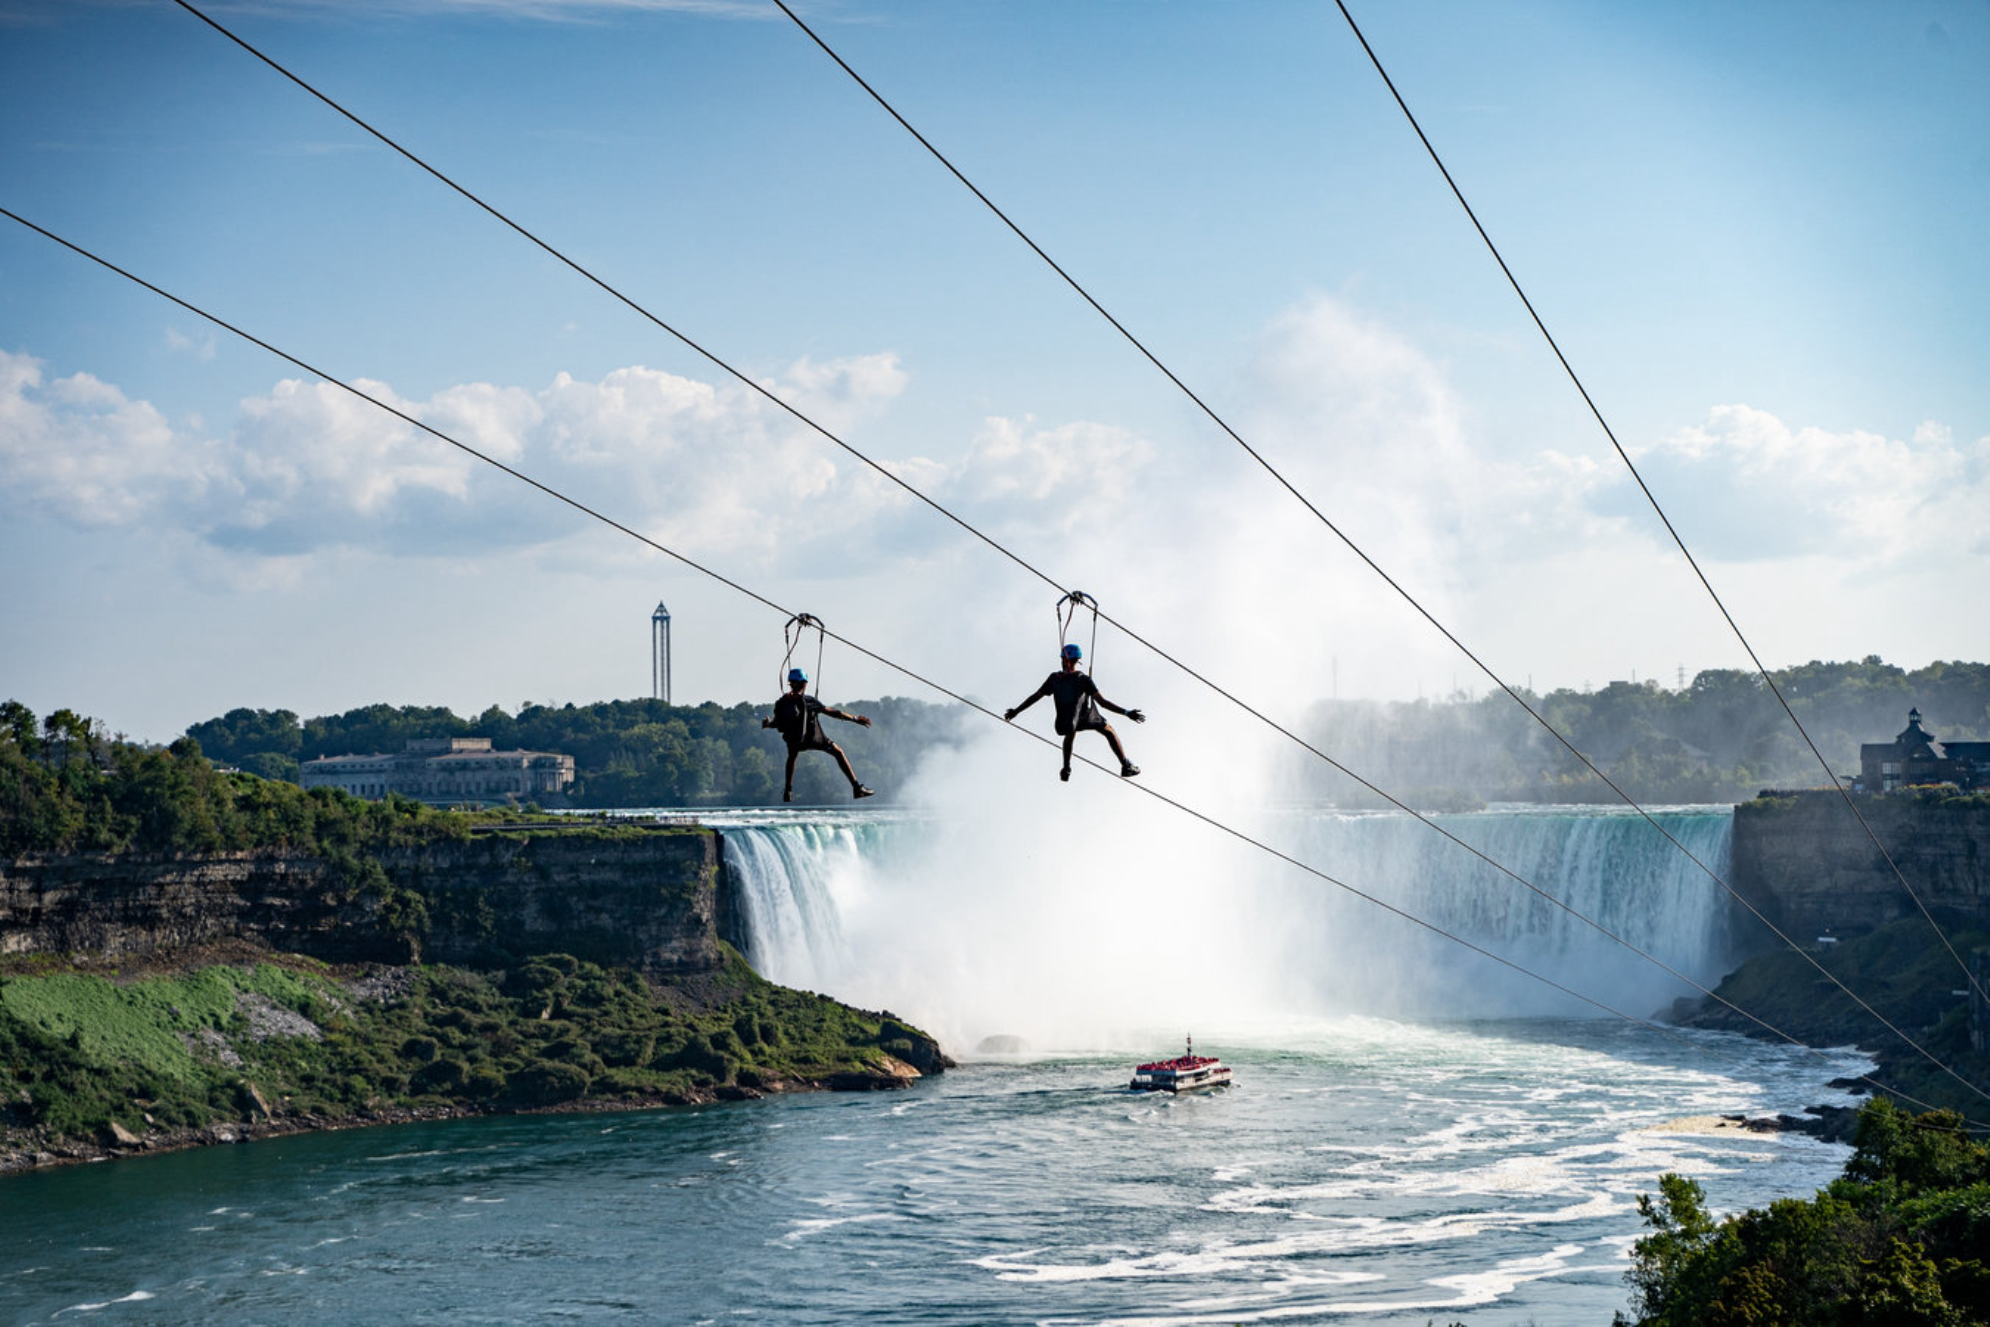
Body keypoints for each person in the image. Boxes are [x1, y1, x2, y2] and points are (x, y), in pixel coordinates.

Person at [1004, 643, 1144, 782]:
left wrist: (1016, 711)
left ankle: (1066, 767)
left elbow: (1035, 697)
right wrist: (1127, 713)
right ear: (1077, 661)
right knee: (1108, 730)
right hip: (1086, 717)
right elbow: (1103, 702)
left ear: (1063, 660)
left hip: (1068, 721)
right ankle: (1125, 765)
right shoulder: (1083, 679)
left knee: (1070, 731)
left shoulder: (1054, 679)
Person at [764, 668, 875, 802]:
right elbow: (834, 713)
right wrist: (855, 718)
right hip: (815, 739)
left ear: (790, 683)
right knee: (838, 752)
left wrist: (768, 724)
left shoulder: (782, 702)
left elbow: (778, 722)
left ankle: (788, 790)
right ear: (803, 684)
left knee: (792, 756)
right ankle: (857, 788)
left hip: (795, 741)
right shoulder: (808, 700)